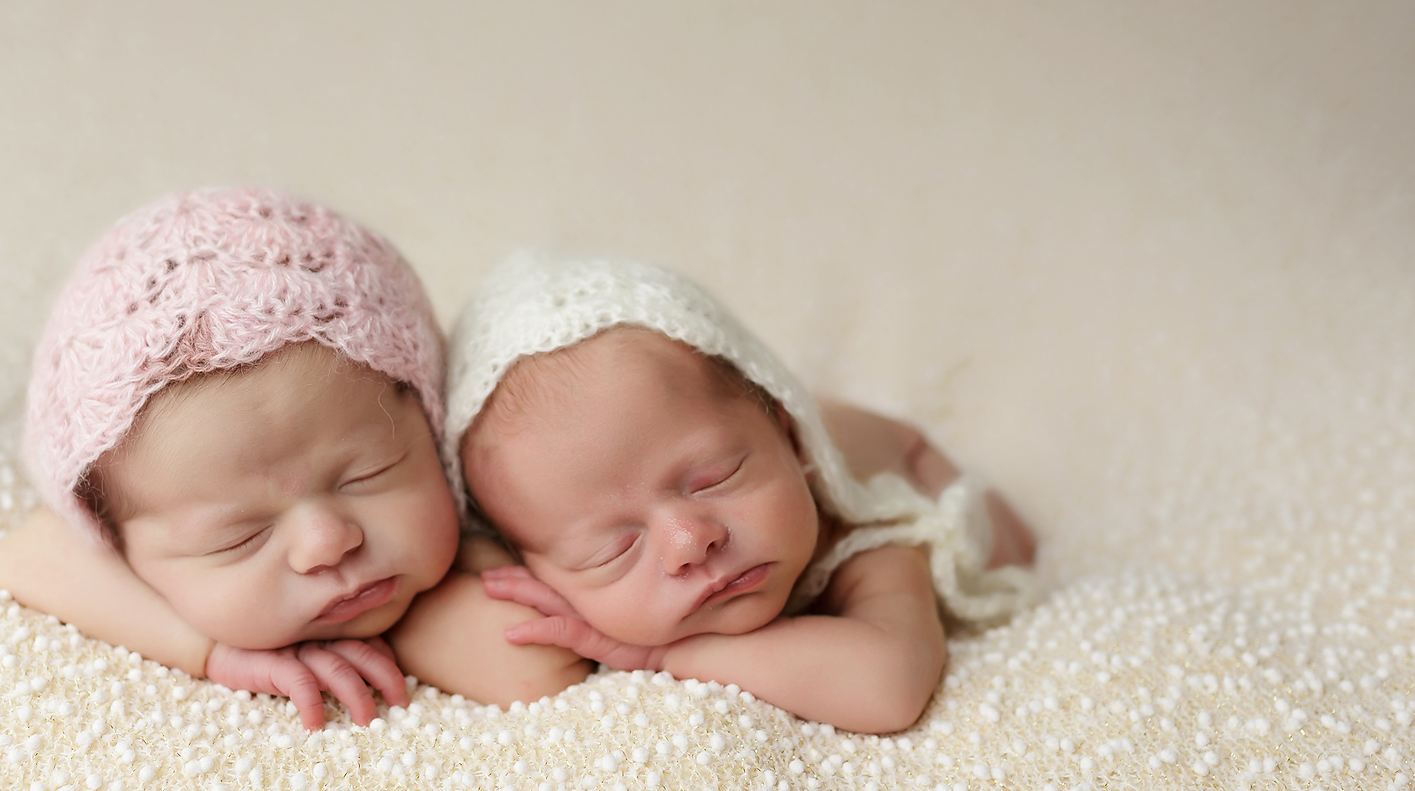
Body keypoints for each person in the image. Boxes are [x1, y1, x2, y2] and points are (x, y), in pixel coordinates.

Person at [0, 187, 586, 728]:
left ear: (429, 422)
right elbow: (27, 556)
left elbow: (534, 668)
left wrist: (399, 622)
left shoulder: (493, 499)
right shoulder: (96, 533)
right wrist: (215, 652)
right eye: (239, 537)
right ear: (118, 547)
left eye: (367, 476)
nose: (328, 542)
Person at [388, 250, 1037, 735]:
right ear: (524, 559)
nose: (689, 541)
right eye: (615, 548)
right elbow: (498, 652)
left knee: (1007, 537)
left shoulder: (865, 535)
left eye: (716, 477)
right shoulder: (540, 536)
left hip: (887, 449)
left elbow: (888, 684)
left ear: (787, 436)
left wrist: (663, 652)